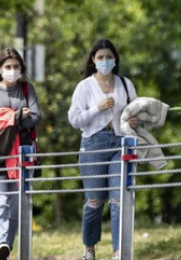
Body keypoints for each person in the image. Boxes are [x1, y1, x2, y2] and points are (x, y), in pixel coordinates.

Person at [68, 39, 138, 260]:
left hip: (120, 142)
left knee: (118, 200)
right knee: (95, 201)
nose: (105, 61)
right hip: (93, 143)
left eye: (109, 57)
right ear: (93, 60)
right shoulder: (85, 86)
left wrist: (136, 121)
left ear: (115, 59)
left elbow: (137, 110)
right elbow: (75, 120)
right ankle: (89, 247)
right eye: (100, 57)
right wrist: (96, 108)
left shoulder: (125, 84)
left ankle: (119, 252)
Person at [0, 48, 42, 260]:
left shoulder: (27, 89)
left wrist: (9, 119)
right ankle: (1, 242)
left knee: (17, 204)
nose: (12, 70)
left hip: (23, 153)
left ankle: (7, 245)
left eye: (16, 67)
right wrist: (15, 117)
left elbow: (35, 116)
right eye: (8, 67)